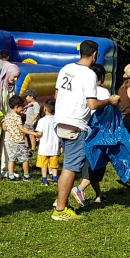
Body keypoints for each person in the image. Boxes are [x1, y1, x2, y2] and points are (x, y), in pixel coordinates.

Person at [49, 40, 104, 221]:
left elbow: (57, 95)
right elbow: (92, 104)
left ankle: (61, 202)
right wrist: (109, 101)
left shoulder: (65, 69)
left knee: (68, 165)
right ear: (95, 55)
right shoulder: (89, 75)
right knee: (70, 168)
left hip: (60, 122)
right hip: (75, 125)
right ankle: (60, 209)